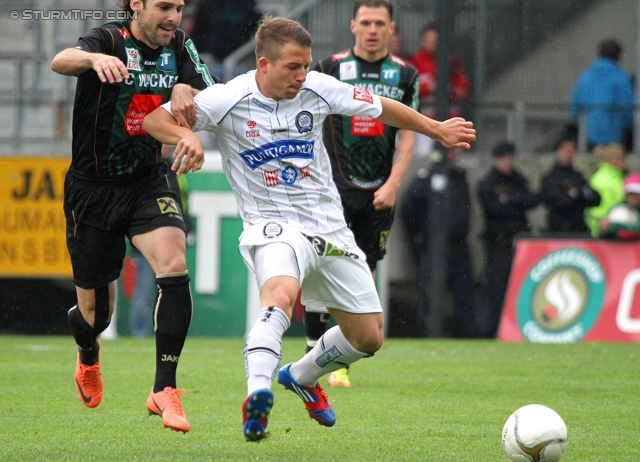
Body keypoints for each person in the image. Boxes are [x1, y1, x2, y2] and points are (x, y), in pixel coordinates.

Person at [142, 16, 475, 441]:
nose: (302, 75)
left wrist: (436, 129)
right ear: (263, 64)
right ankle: (257, 394)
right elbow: (155, 121)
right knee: (280, 296)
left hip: (328, 225)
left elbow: (379, 106)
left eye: (306, 66)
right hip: (271, 224)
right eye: (292, 68)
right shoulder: (226, 98)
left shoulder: (317, 87)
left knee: (369, 336)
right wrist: (184, 136)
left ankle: (301, 375)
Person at [50, 0, 215, 433]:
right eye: (164, 7)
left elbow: (212, 92)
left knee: (174, 265)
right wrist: (93, 58)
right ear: (136, 6)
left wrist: (187, 90)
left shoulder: (179, 46)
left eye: (179, 8)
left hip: (147, 180)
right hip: (93, 189)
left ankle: (164, 389)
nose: (173, 18)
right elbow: (59, 60)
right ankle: (88, 355)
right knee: (95, 316)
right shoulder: (109, 39)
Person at [301, 0, 419, 388]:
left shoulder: (405, 74)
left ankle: (339, 358)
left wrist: (394, 183)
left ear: (391, 28)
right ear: (353, 26)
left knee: (361, 273)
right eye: (365, 22)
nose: (372, 29)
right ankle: (315, 351)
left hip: (378, 193)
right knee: (320, 268)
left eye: (379, 23)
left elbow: (406, 136)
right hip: (331, 191)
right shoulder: (329, 69)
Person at [400, 148, 478, 338]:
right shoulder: (425, 179)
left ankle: (467, 337)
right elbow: (407, 210)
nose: (453, 155)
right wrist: (420, 238)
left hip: (458, 246)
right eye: (449, 151)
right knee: (431, 297)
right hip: (434, 248)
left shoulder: (459, 177)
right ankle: (429, 335)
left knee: (465, 296)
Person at [477, 141, 540, 338]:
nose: (507, 160)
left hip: (519, 244)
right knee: (497, 290)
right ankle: (493, 332)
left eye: (510, 156)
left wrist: (511, 199)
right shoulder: (489, 180)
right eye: (503, 157)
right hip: (499, 244)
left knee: (522, 290)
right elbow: (494, 208)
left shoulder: (518, 179)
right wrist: (518, 200)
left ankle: (517, 331)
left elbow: (534, 200)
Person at [409, 23, 469, 158]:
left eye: (435, 40)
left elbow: (463, 90)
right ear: (422, 40)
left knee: (452, 158)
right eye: (428, 40)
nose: (432, 43)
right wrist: (428, 88)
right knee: (424, 159)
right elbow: (407, 90)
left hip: (451, 119)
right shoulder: (415, 62)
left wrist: (448, 89)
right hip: (425, 122)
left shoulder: (452, 61)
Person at [570, 38, 634, 150]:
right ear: (618, 56)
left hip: (588, 136)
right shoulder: (621, 78)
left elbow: (574, 107)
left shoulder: (585, 77)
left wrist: (586, 125)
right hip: (614, 137)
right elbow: (628, 110)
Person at [541, 132, 601, 233]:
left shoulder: (577, 175)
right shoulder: (550, 176)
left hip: (579, 229)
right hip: (558, 231)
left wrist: (577, 194)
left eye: (571, 149)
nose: (568, 153)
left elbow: (596, 199)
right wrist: (577, 197)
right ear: (556, 152)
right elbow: (558, 202)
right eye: (564, 149)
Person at [585, 143, 627, 237]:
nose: (623, 161)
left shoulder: (619, 178)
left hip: (617, 227)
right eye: (620, 157)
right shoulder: (601, 180)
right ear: (611, 159)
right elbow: (598, 208)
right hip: (604, 230)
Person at [599, 173, 640, 239]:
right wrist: (604, 229)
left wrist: (621, 227)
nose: (634, 197)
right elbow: (603, 236)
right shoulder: (617, 209)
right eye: (631, 193)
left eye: (637, 194)